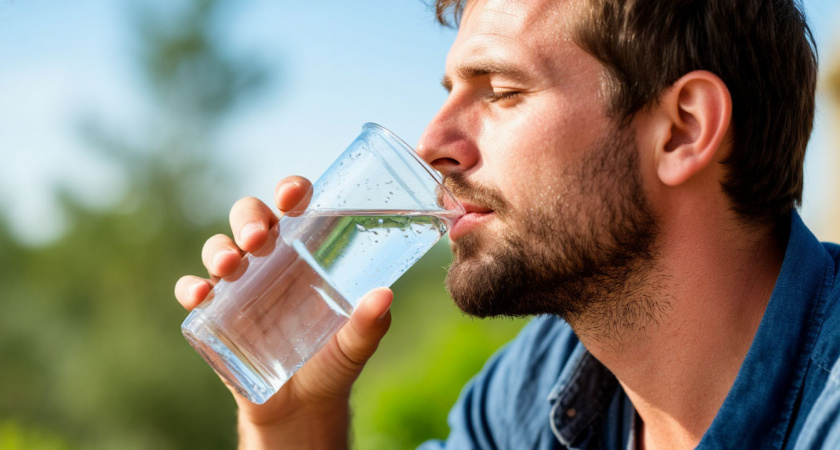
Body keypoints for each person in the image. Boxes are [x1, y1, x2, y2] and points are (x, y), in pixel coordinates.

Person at [174, 0, 840, 448]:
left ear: (681, 131)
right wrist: (293, 421)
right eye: (448, 94)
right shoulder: (534, 391)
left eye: (500, 91)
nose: (431, 142)